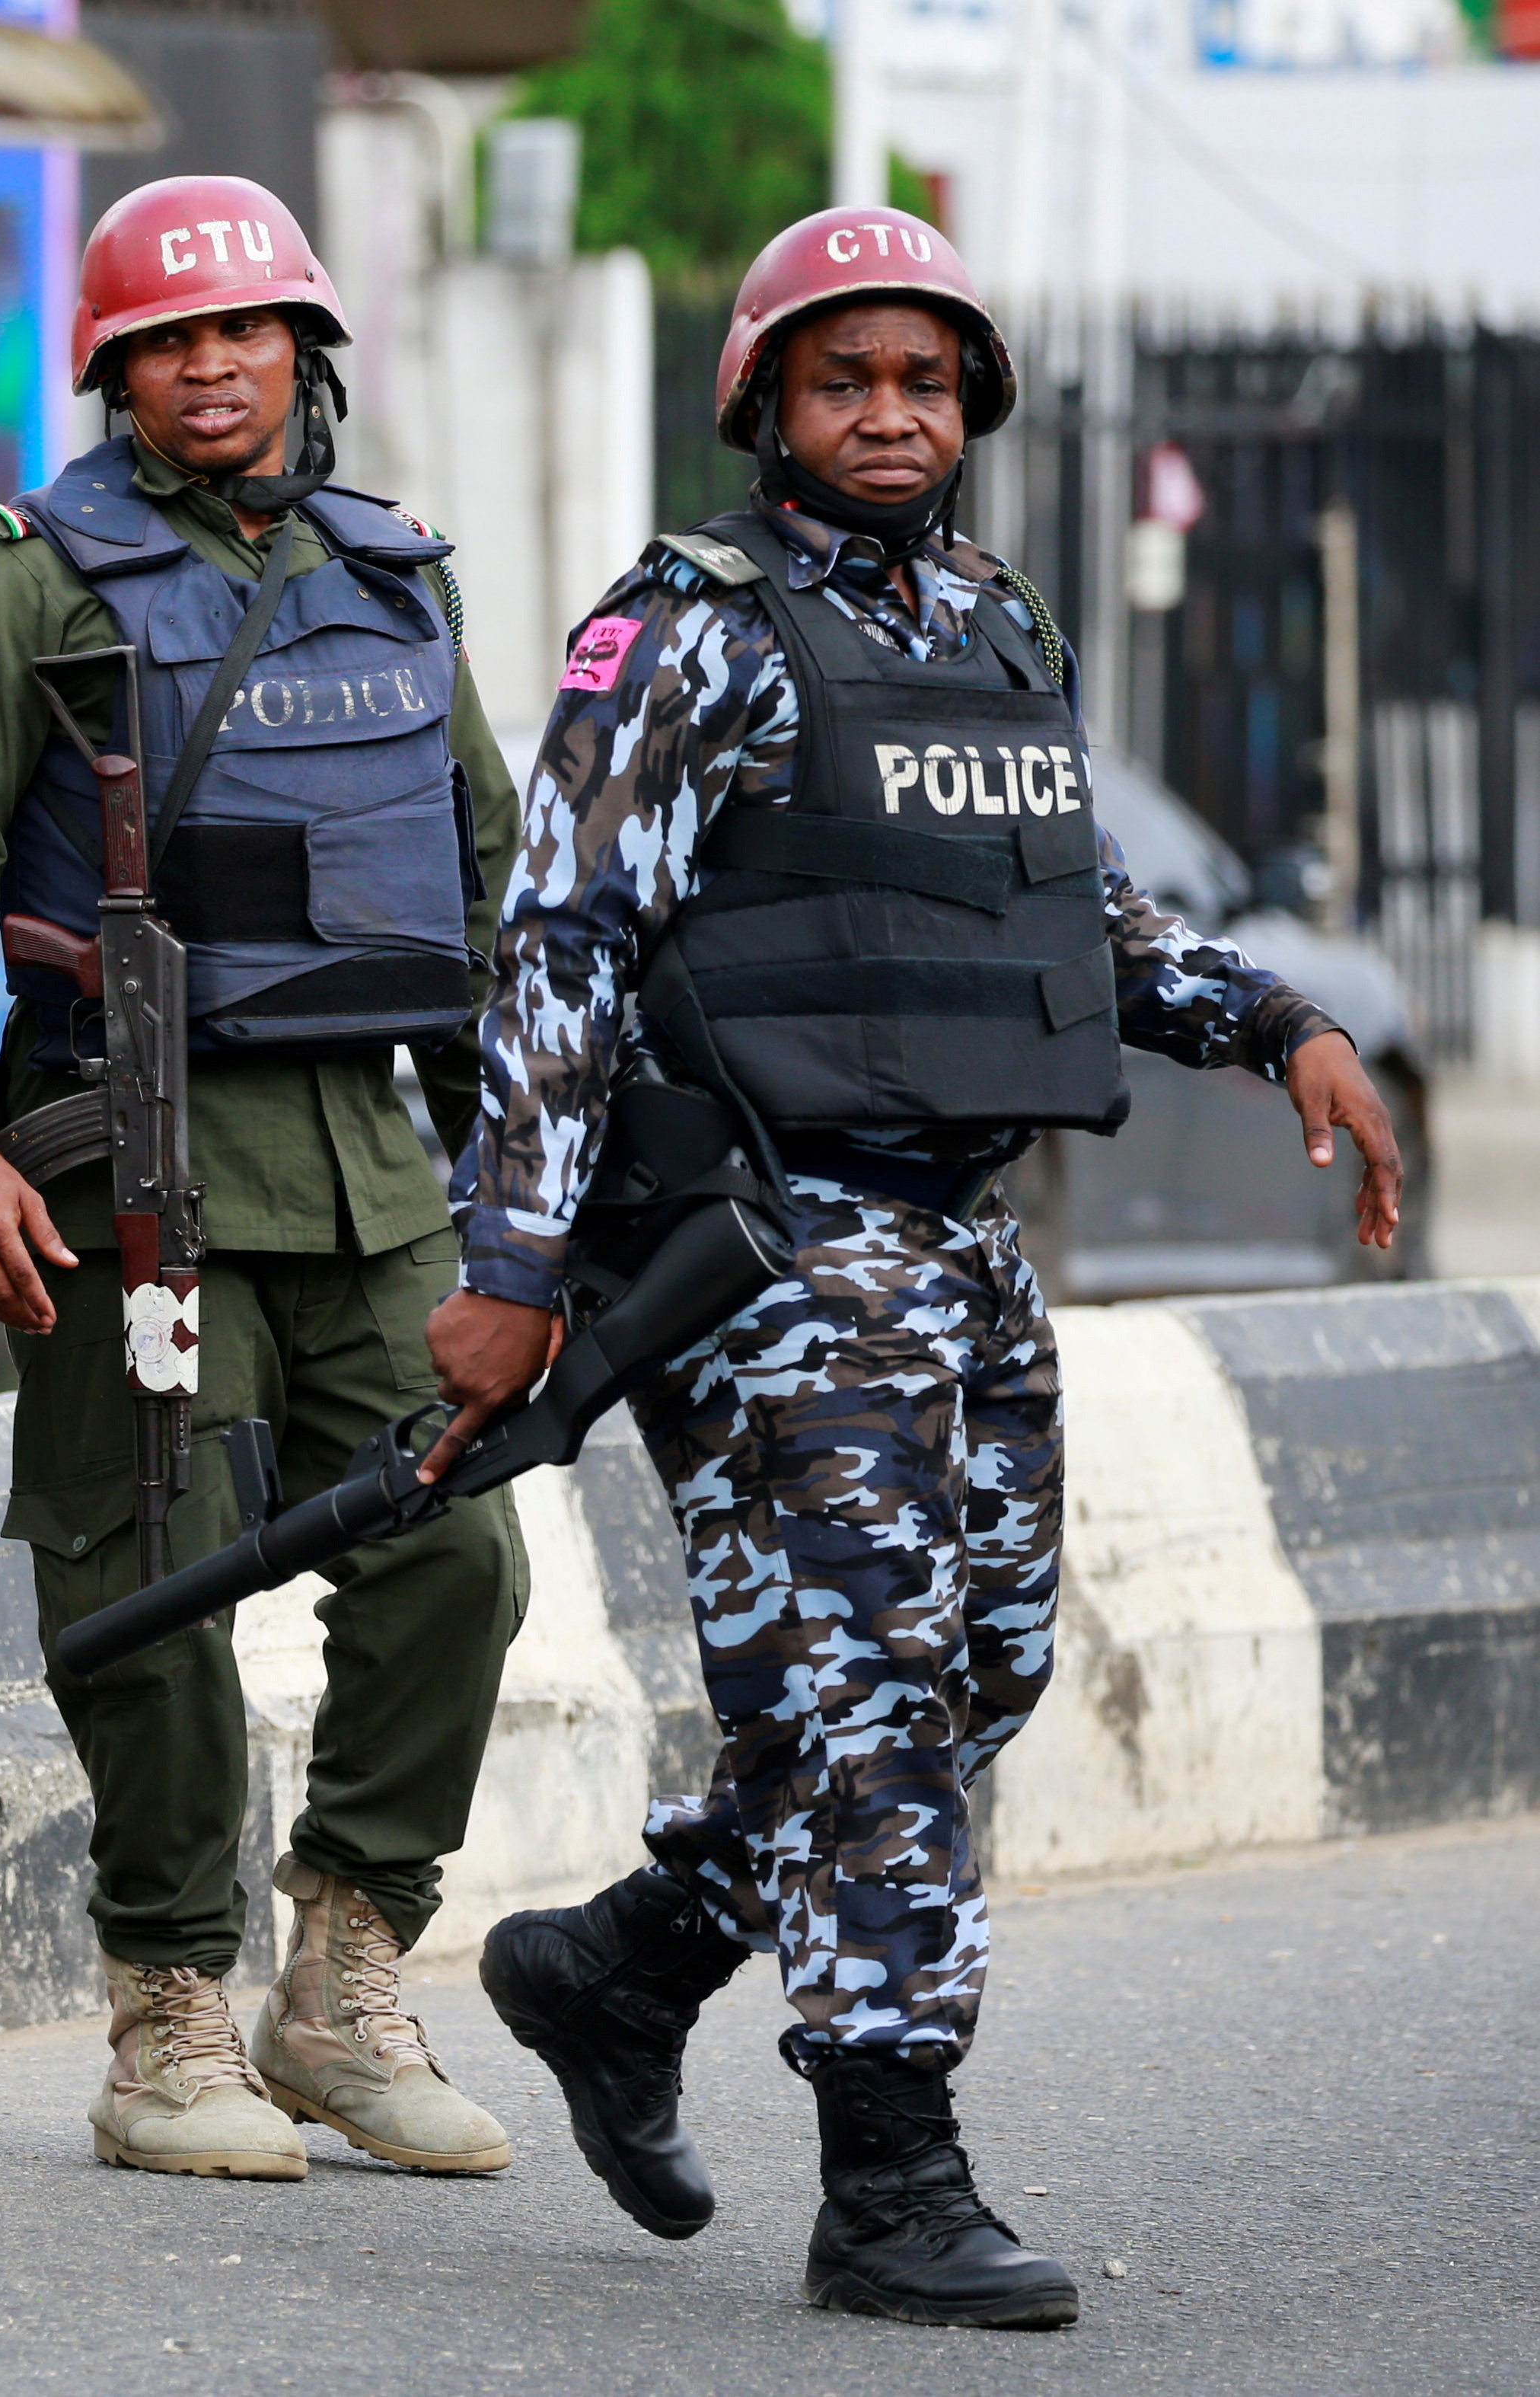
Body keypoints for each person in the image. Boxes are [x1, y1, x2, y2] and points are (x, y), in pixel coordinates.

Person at [441, 206, 1403, 2331]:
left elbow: (1075, 914)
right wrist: (511, 1249)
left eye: (923, 379)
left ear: (971, 405)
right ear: (765, 404)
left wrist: (1275, 1022)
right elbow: (561, 940)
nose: (888, 411)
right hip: (768, 1242)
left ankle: (625, 1964)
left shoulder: (990, 624)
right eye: (842, 378)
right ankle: (887, 2176)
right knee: (866, 1692)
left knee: (978, 1665)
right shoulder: (686, 628)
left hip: (956, 1231)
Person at [0, 174, 529, 2185]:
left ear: (304, 349)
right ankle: (164, 2011)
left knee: (458, 1557)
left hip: (373, 1172)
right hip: (131, 1156)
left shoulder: (395, 574)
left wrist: (533, 1181)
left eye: (243, 331)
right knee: (149, 1570)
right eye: (166, 342)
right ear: (114, 374)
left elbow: (482, 874)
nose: (210, 367)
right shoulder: (30, 574)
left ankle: (342, 1975)